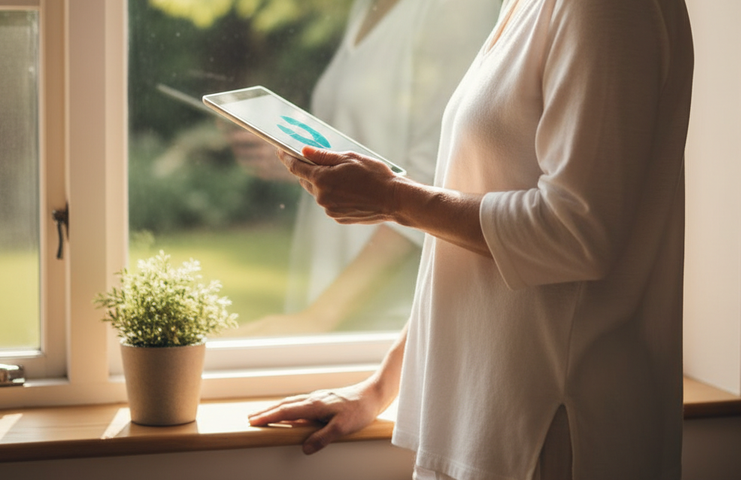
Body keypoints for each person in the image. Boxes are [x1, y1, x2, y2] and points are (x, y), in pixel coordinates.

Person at [249, 0, 694, 479]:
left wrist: (394, 199)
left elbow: (576, 231)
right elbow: (478, 231)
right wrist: (382, 386)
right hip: (484, 419)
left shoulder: (607, 10)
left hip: (552, 433)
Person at [232, 0, 500, 335]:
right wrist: (299, 155)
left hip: (383, 325)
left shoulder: (455, 9)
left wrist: (320, 317)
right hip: (328, 294)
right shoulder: (366, 7)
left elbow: (435, 180)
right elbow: (370, 147)